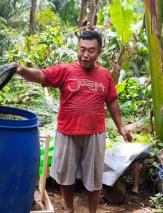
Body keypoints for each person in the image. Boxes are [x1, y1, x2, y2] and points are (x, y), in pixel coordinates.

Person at [14, 29, 132, 213]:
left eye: (91, 51)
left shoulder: (105, 75)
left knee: (94, 178)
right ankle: (69, 208)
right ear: (77, 49)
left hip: (95, 134)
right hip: (67, 132)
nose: (85, 54)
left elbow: (112, 101)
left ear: (99, 52)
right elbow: (42, 75)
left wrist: (121, 128)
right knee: (65, 175)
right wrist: (23, 71)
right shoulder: (65, 70)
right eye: (82, 49)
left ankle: (93, 210)